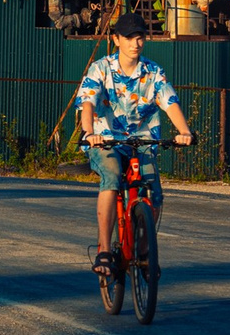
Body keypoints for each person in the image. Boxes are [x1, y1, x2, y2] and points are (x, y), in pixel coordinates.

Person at [75, 21, 194, 273]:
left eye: (139, 38)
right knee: (112, 174)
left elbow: (169, 101)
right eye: (128, 38)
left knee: (154, 189)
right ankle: (105, 251)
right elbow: (88, 102)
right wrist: (89, 132)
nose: (135, 43)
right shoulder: (101, 69)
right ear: (116, 39)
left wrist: (184, 132)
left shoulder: (153, 71)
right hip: (106, 139)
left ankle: (142, 251)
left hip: (142, 140)